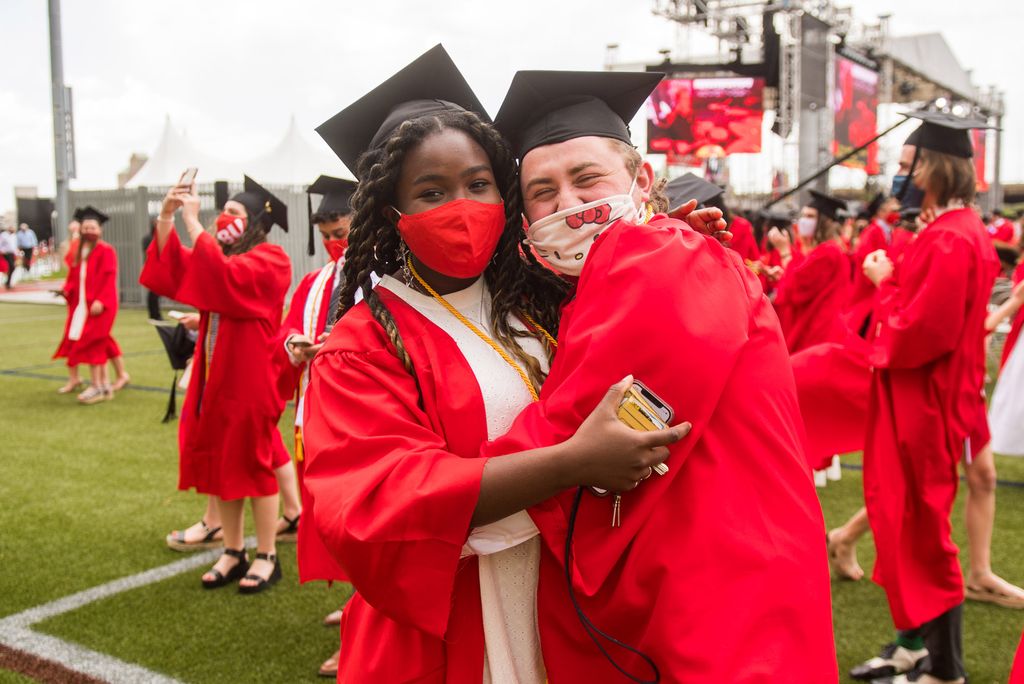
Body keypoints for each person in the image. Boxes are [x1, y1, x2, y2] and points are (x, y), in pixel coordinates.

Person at [302, 46, 686, 683]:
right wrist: (571, 463)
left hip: (573, 598)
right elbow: (380, 502)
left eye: (478, 184)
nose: (463, 205)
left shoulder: (541, 295)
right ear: (390, 215)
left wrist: (674, 235)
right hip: (461, 621)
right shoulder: (364, 345)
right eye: (432, 192)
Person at [475, 69, 836, 682]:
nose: (570, 205)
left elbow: (575, 430)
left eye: (587, 178)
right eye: (543, 191)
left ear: (641, 179)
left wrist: (438, 501)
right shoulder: (657, 255)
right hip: (734, 582)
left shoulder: (658, 256)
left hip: (713, 602)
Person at [850, 111, 1001, 684]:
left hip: (925, 403)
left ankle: (946, 669)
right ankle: (911, 649)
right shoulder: (949, 233)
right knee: (901, 521)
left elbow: (918, 336)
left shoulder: (951, 240)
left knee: (922, 530)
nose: (899, 175)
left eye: (907, 165)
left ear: (934, 168)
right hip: (922, 400)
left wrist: (884, 281)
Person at [140, 174, 293, 592]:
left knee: (254, 464)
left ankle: (266, 555)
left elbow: (227, 280)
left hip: (250, 382)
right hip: (215, 379)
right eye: (223, 211)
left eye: (234, 213)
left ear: (256, 223)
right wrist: (168, 216)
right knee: (223, 466)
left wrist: (193, 223)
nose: (223, 218)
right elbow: (179, 271)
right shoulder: (225, 255)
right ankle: (232, 550)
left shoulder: (273, 258)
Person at [273, 174, 358, 679]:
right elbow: (286, 331)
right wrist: (296, 346)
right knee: (332, 521)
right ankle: (356, 603)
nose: (332, 239)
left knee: (360, 521)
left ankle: (362, 630)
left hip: (356, 419)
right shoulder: (315, 282)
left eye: (341, 228)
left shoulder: (381, 273)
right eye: (326, 230)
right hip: (314, 414)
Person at [51, 207, 123, 404]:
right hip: (83, 305)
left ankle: (98, 386)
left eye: (92, 227)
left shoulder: (105, 250)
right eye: (85, 227)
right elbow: (74, 276)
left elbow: (109, 278)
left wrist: (101, 299)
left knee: (94, 342)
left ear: (100, 229)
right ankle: (103, 386)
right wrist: (66, 290)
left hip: (101, 304)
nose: (88, 231)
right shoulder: (82, 251)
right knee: (92, 342)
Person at [769, 190, 853, 353]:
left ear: (823, 221)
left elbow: (795, 290)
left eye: (810, 216)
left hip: (817, 329)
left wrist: (784, 251)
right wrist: (785, 273)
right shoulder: (828, 249)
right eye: (803, 215)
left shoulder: (827, 252)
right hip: (820, 325)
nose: (803, 221)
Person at [846, 192, 914, 335]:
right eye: (893, 211)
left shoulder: (888, 232)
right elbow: (867, 269)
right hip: (867, 298)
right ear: (882, 211)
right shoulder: (872, 233)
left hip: (877, 295)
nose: (897, 214)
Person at [141, 218, 163, 320]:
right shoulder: (148, 238)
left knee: (156, 292)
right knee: (154, 292)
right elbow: (147, 254)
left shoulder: (160, 237)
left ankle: (156, 314)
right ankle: (154, 315)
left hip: (160, 266)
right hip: (152, 267)